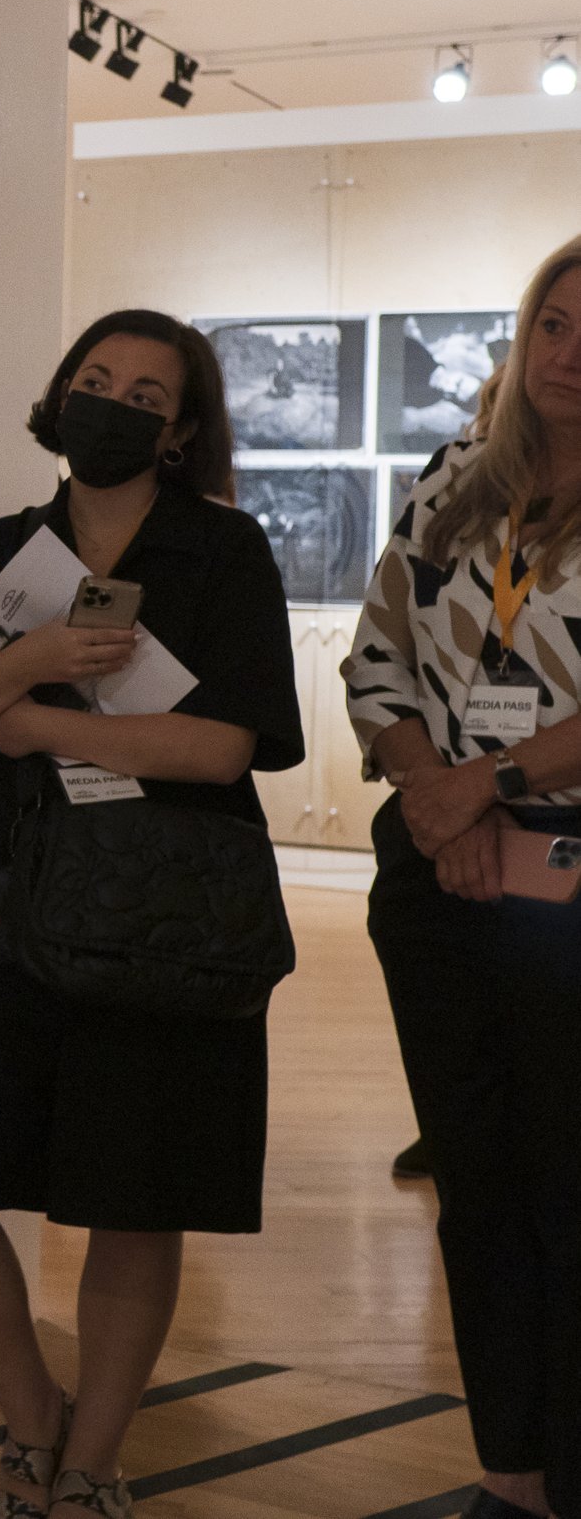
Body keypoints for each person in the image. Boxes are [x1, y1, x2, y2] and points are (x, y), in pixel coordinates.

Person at [0, 311, 303, 1519]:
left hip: (169, 898)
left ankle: (93, 1466)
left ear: (178, 430)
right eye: (93, 379)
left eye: (143, 393)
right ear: (60, 394)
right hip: (11, 887)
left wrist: (40, 719)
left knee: (135, 1187)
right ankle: (30, 1415)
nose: (110, 402)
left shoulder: (225, 553)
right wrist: (31, 659)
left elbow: (222, 748)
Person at [342, 234, 581, 1519]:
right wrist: (435, 798)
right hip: (437, 879)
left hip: (566, 875)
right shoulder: (451, 485)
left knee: (569, 1186)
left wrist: (476, 788)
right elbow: (377, 661)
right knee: (478, 1190)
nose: (571, 355)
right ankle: (514, 1474)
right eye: (555, 323)